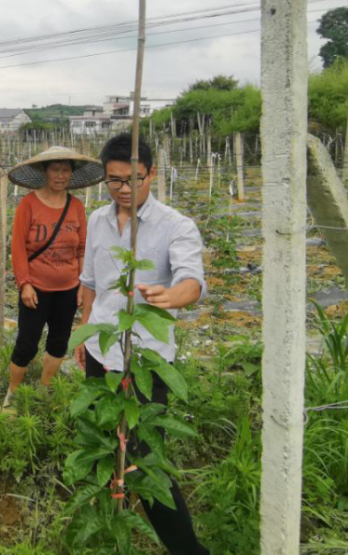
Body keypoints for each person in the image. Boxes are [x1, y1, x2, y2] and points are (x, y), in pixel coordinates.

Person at [74, 133, 209, 555]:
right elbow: (90, 283)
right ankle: (113, 530)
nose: (125, 189)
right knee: (104, 447)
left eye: (134, 179)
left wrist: (172, 296)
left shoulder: (175, 225)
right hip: (102, 352)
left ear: (152, 173)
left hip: (146, 361)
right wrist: (85, 331)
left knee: (145, 460)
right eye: (115, 181)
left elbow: (192, 280)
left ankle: (187, 550)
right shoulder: (97, 221)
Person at [2, 146, 102, 413]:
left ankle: (44, 391)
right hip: (36, 289)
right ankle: (11, 396)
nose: (61, 175)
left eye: (66, 170)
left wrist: (83, 284)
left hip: (68, 288)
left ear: (72, 173)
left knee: (59, 342)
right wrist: (24, 283)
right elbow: (19, 248)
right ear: (44, 172)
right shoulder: (28, 204)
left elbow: (82, 248)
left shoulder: (77, 207)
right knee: (26, 342)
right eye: (55, 169)